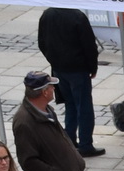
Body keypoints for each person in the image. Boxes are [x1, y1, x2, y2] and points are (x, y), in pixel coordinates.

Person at [38, 6, 101, 156]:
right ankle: (85, 144)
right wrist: (92, 67)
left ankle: (70, 140)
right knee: (83, 107)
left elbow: (42, 42)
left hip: (59, 68)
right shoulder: (78, 17)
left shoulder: (47, 14)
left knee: (70, 104)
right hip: (78, 69)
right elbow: (89, 45)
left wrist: (54, 60)